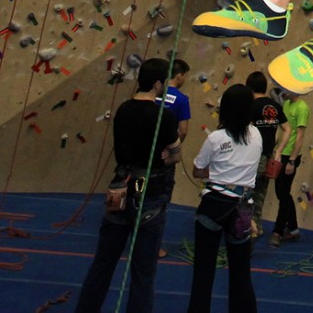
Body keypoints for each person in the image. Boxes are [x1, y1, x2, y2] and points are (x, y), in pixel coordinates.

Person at [76, 59, 181, 313]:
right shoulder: (163, 115)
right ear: (158, 84)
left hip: (120, 186)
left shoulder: (123, 109)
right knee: (143, 271)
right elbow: (175, 153)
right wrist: (166, 154)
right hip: (149, 191)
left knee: (103, 262)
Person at [187, 83, 261, 313]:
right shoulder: (256, 135)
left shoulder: (216, 138)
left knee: (203, 271)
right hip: (242, 208)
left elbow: (198, 170)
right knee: (240, 272)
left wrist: (217, 173)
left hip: (214, 204)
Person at [244, 71, 285, 236]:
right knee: (259, 197)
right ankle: (256, 229)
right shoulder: (275, 106)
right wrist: (278, 149)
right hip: (268, 157)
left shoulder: (251, 106)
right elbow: (287, 129)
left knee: (245, 196)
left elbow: (246, 130)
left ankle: (247, 230)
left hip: (254, 157)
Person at [270, 89, 310, 247]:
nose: (283, 92)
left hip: (290, 156)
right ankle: (293, 229)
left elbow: (300, 136)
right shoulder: (286, 104)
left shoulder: (302, 108)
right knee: (282, 193)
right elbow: (283, 130)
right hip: (281, 153)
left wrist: (292, 160)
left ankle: (278, 232)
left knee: (283, 193)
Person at [164, 58, 192, 142]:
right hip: (166, 146)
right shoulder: (182, 99)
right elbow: (183, 131)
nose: (184, 80)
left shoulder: (155, 92)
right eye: (184, 76)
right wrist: (173, 149)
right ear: (179, 76)